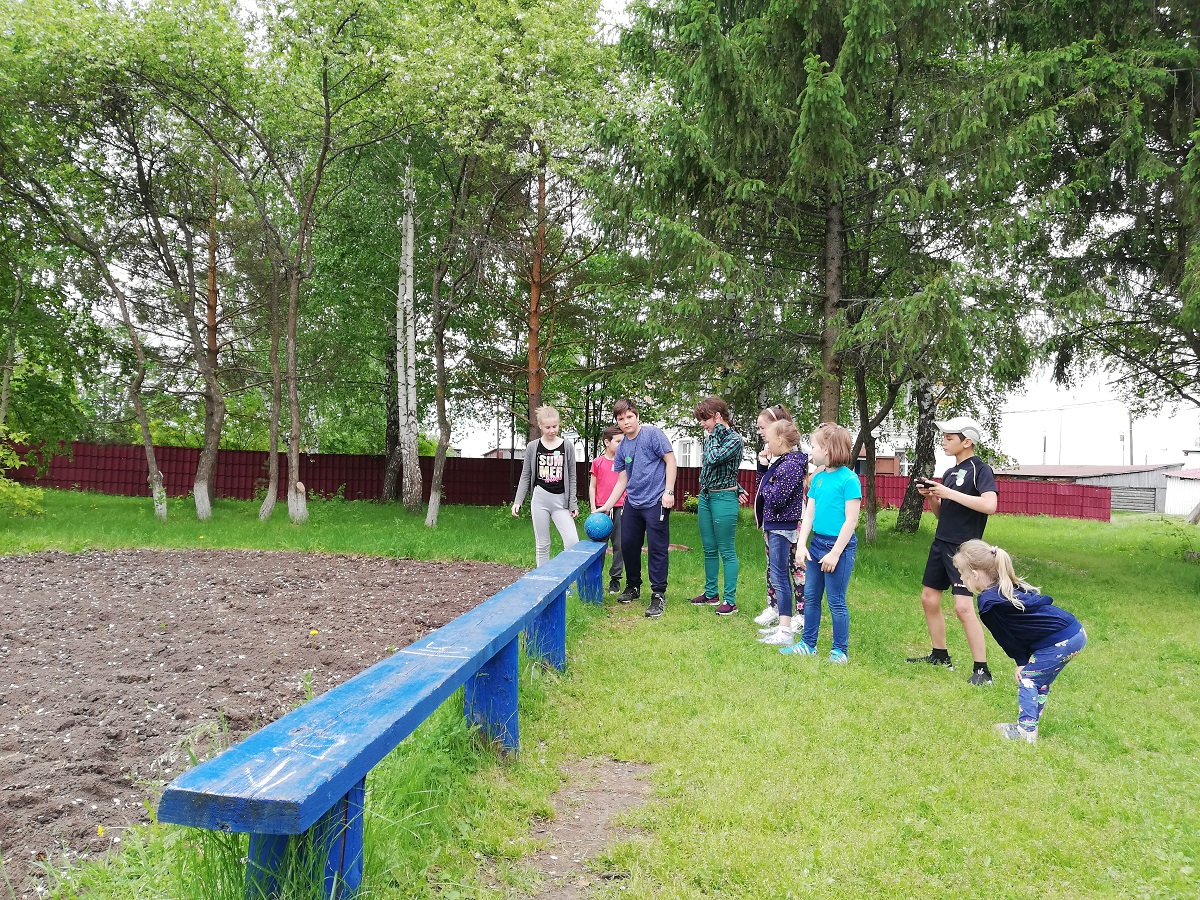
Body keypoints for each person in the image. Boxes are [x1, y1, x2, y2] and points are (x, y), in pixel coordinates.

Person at [952, 540, 1086, 743]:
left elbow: (1006, 637)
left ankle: (1026, 732)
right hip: (1074, 633)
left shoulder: (989, 603)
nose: (961, 578)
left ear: (975, 574)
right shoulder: (1004, 588)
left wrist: (1021, 662)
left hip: (1060, 640)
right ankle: (1030, 723)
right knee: (1039, 681)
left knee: (1028, 679)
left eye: (962, 573)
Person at [907, 416, 998, 685]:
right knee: (929, 599)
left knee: (962, 608)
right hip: (941, 542)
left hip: (965, 550)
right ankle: (940, 655)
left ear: (967, 441)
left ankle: (982, 670)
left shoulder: (981, 470)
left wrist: (948, 493)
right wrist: (933, 498)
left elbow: (990, 505)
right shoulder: (949, 473)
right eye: (944, 438)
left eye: (949, 438)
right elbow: (942, 514)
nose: (944, 442)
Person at [781, 423, 861, 662]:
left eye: (814, 446)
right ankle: (808, 644)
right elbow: (809, 515)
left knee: (836, 601)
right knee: (811, 597)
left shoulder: (849, 480)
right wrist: (801, 545)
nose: (810, 451)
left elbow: (851, 520)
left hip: (840, 549)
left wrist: (835, 553)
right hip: (816, 546)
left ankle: (840, 650)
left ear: (827, 449)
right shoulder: (817, 479)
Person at [596, 398, 677, 618]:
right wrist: (606, 506)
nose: (626, 422)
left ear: (637, 416)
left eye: (629, 417)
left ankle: (658, 594)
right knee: (628, 545)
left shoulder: (653, 435)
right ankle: (633, 586)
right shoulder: (622, 447)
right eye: (621, 419)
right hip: (633, 502)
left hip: (657, 501)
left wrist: (669, 492)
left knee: (657, 548)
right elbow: (622, 481)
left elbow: (670, 461)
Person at [746, 405, 807, 627]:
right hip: (773, 520)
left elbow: (776, 495)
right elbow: (762, 488)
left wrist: (768, 486)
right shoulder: (772, 454)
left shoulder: (791, 459)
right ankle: (775, 607)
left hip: (791, 520)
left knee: (796, 566)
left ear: (778, 431)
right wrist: (763, 469)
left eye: (763, 428)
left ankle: (801, 612)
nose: (761, 433)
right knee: (774, 566)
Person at [688, 397, 745, 615]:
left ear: (717, 416)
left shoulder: (734, 439)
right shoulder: (714, 437)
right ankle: (711, 593)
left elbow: (713, 458)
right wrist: (740, 486)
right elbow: (713, 471)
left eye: (705, 420)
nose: (703, 424)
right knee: (709, 549)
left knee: (727, 551)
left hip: (724, 499)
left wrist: (714, 434)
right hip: (706, 497)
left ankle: (730, 601)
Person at [511, 406, 579, 567]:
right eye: (548, 427)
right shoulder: (533, 447)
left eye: (555, 426)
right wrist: (518, 501)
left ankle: (565, 577)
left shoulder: (566, 446)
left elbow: (572, 476)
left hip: (561, 502)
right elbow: (525, 475)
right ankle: (543, 579)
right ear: (540, 426)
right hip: (540, 500)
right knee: (543, 544)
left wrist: (573, 503)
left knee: (572, 541)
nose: (552, 430)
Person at [589, 425, 626, 594]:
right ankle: (596, 577)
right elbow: (592, 486)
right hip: (601, 511)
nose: (622, 444)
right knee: (599, 546)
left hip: (620, 507)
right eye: (618, 441)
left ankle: (615, 580)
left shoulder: (624, 461)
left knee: (619, 544)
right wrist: (593, 508)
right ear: (607, 442)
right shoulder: (598, 462)